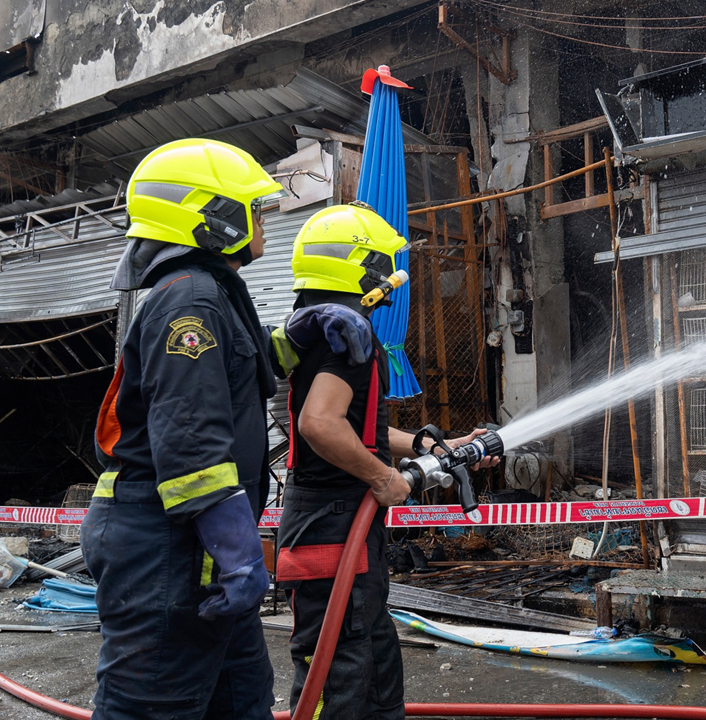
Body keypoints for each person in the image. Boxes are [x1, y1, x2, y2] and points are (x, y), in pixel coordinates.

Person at [82, 138, 371, 719]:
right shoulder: (188, 303)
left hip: (197, 548)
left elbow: (244, 370)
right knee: (152, 705)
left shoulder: (211, 292)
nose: (262, 218)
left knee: (241, 702)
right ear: (212, 218)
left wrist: (302, 330)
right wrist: (239, 556)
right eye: (253, 208)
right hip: (165, 549)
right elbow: (191, 448)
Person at [278, 203, 495, 719]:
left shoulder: (322, 328)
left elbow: (356, 429)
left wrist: (423, 448)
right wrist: (382, 478)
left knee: (374, 663)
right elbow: (319, 425)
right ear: (364, 270)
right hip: (333, 525)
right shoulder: (347, 333)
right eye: (385, 266)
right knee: (340, 670)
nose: (394, 283)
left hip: (339, 523)